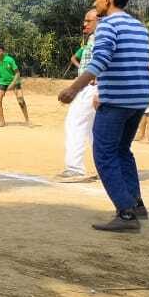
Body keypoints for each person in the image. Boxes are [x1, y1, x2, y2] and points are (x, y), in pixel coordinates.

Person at [57, 0, 149, 233]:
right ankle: (136, 204)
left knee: (103, 154)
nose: (95, 3)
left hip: (117, 100)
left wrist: (73, 88)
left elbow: (99, 61)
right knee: (122, 151)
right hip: (138, 100)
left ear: (107, 0)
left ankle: (126, 213)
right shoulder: (139, 27)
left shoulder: (108, 25)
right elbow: (135, 62)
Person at [59, 9, 99, 182]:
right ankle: (107, 167)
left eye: (89, 21)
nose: (85, 24)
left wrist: (99, 82)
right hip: (91, 87)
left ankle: (75, 169)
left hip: (91, 88)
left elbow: (105, 61)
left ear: (100, 20)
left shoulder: (101, 38)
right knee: (94, 130)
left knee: (75, 123)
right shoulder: (92, 38)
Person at [0, 44, 29, 127]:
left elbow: (17, 73)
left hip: (15, 81)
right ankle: (2, 121)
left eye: (0, 51)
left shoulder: (9, 60)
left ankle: (27, 119)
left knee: (20, 100)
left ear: (3, 52)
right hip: (3, 82)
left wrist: (12, 84)